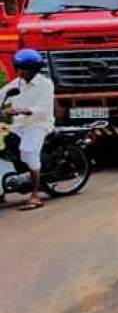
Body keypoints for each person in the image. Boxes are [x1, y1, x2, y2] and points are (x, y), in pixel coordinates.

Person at [0, 49, 55, 210]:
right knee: (4, 150)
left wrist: (21, 110)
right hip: (19, 125)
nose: (21, 72)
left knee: (28, 152)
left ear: (34, 69)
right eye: (19, 68)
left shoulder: (45, 84)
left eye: (25, 69)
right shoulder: (17, 83)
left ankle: (35, 195)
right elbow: (1, 95)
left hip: (38, 124)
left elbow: (44, 109)